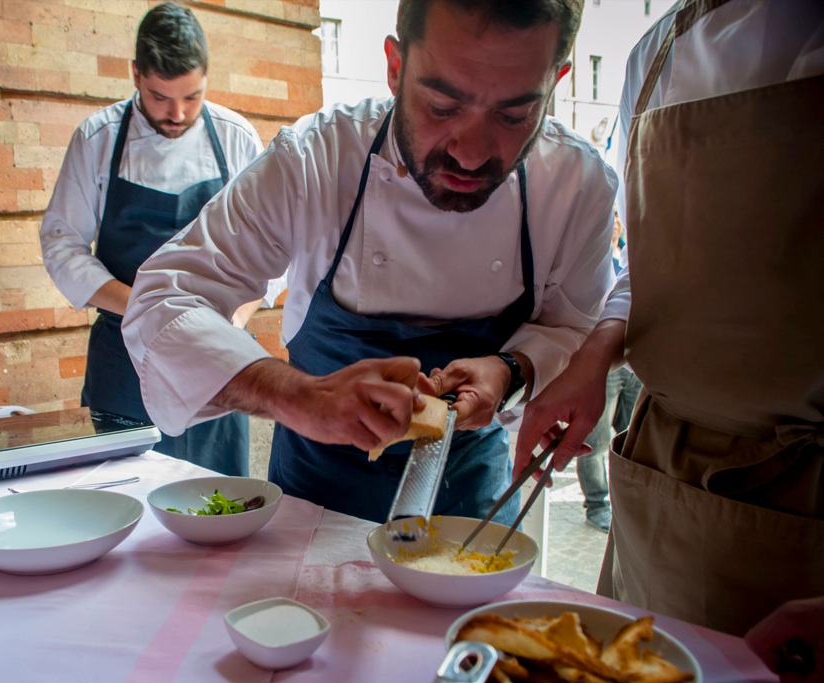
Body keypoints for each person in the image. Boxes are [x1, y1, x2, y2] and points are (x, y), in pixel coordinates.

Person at [122, 0, 618, 524]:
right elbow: (162, 301)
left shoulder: (576, 183)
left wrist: (512, 369)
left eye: (514, 115)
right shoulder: (317, 157)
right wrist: (296, 395)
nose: (471, 154)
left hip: (470, 507)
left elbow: (576, 327)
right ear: (396, 67)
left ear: (555, 83)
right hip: (313, 502)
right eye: (442, 106)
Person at [514, 0, 823, 673]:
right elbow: (654, 266)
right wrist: (594, 356)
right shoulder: (654, 54)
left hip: (804, 490)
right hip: (661, 468)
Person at [40, 2, 266, 477]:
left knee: (216, 498)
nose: (177, 113)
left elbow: (272, 250)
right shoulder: (97, 139)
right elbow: (62, 246)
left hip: (216, 357)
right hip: (123, 359)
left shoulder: (237, 138)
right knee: (121, 493)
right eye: (160, 97)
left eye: (192, 96)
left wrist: (235, 319)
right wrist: (148, 309)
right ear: (136, 75)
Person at [575, 211, 640, 532]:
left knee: (631, 436)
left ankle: (625, 506)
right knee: (596, 440)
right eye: (610, 215)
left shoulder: (630, 255)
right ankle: (596, 503)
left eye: (618, 216)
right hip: (604, 364)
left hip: (635, 364)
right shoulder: (592, 258)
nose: (614, 222)